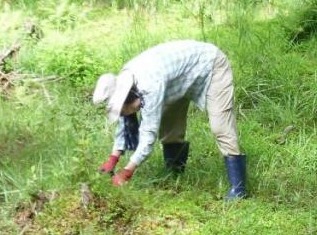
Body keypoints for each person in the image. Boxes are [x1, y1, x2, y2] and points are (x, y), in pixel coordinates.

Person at [92, 40, 247, 200]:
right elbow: (125, 121)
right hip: (179, 77)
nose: (135, 111)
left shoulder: (149, 86)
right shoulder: (125, 82)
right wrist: (113, 158)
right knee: (169, 128)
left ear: (127, 98)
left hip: (210, 65)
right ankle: (175, 175)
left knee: (220, 126)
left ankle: (239, 189)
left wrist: (127, 171)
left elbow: (148, 137)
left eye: (130, 109)